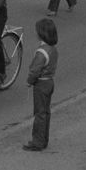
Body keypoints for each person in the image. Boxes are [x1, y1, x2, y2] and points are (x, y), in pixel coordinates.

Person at [23, 17, 58, 151]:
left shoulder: (41, 52)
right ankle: (43, 139)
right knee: (46, 112)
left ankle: (37, 142)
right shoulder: (53, 49)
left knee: (39, 113)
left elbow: (35, 70)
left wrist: (29, 81)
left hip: (41, 85)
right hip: (49, 82)